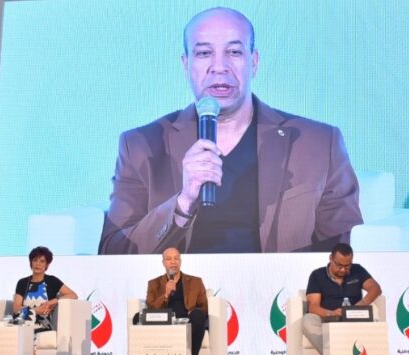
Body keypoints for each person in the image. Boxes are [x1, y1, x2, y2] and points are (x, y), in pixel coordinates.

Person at [99, 7, 362, 255]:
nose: (219, 66)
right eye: (204, 53)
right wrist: (182, 203)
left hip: (273, 286)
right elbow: (114, 252)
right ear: (186, 64)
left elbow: (345, 250)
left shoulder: (318, 143)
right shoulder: (141, 145)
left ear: (254, 62)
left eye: (234, 52)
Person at [301, 243, 382, 354]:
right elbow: (313, 307)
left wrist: (359, 306)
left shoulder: (357, 270)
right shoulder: (317, 275)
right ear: (331, 258)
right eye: (339, 266)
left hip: (354, 318)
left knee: (375, 317)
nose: (343, 270)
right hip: (328, 318)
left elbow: (375, 289)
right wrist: (331, 313)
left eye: (347, 266)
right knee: (308, 321)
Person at [145, 247, 208, 355]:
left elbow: (204, 306)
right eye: (169, 259)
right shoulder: (154, 284)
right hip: (164, 321)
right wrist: (166, 294)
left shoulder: (195, 282)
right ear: (163, 262)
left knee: (198, 315)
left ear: (180, 261)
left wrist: (193, 312)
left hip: (187, 321)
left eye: (176, 258)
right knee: (137, 318)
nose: (173, 262)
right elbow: (151, 308)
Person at [14, 246, 78, 355]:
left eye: (42, 261)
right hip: (24, 319)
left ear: (47, 265)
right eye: (35, 260)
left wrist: (53, 301)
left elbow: (73, 295)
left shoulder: (52, 281)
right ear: (30, 262)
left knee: (21, 323)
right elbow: (16, 308)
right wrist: (35, 311)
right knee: (23, 319)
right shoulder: (22, 283)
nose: (37, 264)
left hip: (42, 322)